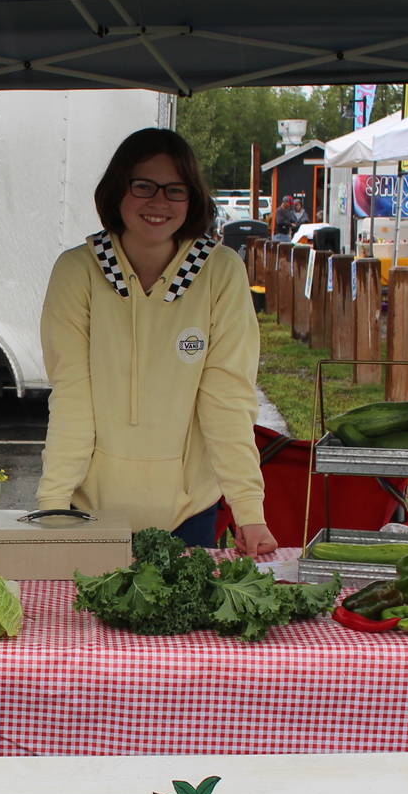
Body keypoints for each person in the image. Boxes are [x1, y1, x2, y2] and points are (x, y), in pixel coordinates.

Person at [37, 127, 274, 556]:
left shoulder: (219, 272)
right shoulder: (78, 271)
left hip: (188, 514)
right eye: (143, 186)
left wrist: (248, 510)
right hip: (90, 510)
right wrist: (53, 505)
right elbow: (72, 396)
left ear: (193, 198)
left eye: (175, 190)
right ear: (117, 191)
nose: (158, 202)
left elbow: (227, 399)